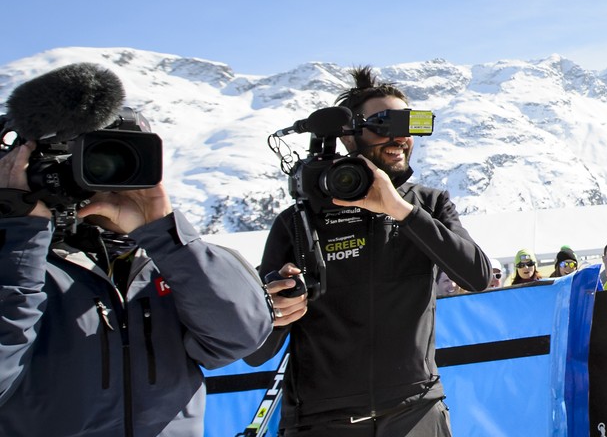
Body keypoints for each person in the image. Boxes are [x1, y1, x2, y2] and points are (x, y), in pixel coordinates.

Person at [247, 67, 494, 436]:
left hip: (416, 412)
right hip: (321, 421)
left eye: (409, 124)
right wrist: (272, 312)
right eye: (383, 123)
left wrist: (400, 209)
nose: (400, 136)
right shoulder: (298, 219)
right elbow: (257, 352)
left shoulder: (428, 204)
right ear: (349, 138)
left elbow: (476, 276)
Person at [0, 138, 272, 437]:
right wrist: (20, 237)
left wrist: (163, 231)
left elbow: (241, 336)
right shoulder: (19, 266)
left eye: (118, 161)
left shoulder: (181, 258)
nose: (102, 180)